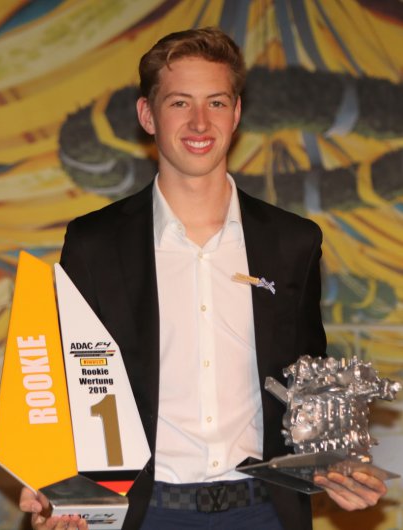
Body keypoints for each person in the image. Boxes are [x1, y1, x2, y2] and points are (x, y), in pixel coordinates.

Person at [19, 27, 386, 530]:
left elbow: (305, 376)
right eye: (179, 103)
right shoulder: (94, 243)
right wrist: (57, 491)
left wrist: (337, 463)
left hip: (263, 511)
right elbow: (65, 383)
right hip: (145, 513)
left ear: (236, 114)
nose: (199, 122)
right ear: (148, 116)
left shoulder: (293, 241)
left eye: (216, 102)